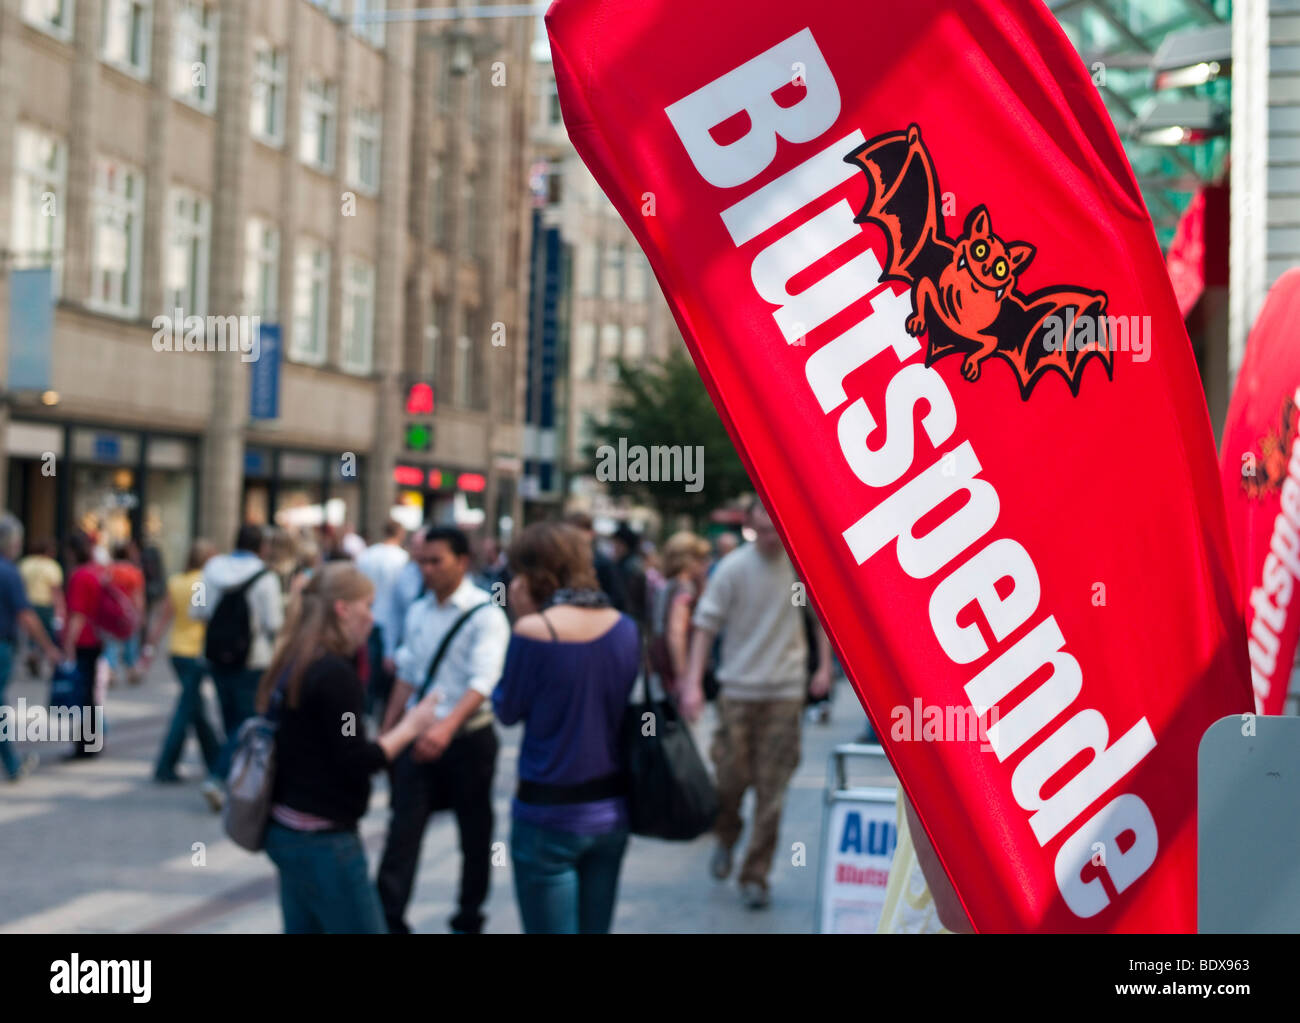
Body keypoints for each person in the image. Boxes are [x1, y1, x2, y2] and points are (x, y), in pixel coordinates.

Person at [259, 562, 439, 934]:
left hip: (286, 827)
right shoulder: (336, 676)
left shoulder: (295, 660)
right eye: (368, 606)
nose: (372, 619)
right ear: (342, 608)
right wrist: (410, 727)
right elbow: (355, 758)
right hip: (324, 839)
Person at [679, 499, 832, 909]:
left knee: (773, 790)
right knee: (730, 781)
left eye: (774, 530)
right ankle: (727, 835)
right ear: (750, 527)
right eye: (761, 530)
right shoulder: (732, 570)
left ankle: (755, 875)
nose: (768, 538)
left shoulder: (799, 567)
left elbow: (821, 618)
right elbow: (705, 626)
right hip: (738, 693)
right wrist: (693, 683)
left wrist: (824, 670)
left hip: (784, 693)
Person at [493, 523, 640, 933]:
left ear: (528, 573)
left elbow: (507, 709)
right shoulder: (624, 628)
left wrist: (521, 617)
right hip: (611, 811)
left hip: (547, 812)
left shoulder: (533, 631)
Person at [376, 525, 510, 934]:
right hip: (419, 736)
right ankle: (389, 917)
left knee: (474, 833)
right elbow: (408, 673)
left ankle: (469, 916)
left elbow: (483, 680)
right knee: (403, 830)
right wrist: (388, 733)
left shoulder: (486, 613)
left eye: (436, 561)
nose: (427, 569)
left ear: (462, 562)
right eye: (422, 561)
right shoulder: (419, 610)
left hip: (468, 739)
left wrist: (447, 728)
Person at [191, 525, 285, 808]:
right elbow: (274, 623)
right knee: (246, 721)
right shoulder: (266, 577)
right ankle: (219, 777)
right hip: (252, 659)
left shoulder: (211, 569)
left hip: (217, 655)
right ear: (262, 547)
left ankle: (229, 776)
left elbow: (198, 610)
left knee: (230, 719)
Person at [140, 539, 223, 785]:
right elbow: (201, 617)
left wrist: (150, 646)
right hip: (195, 651)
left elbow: (164, 617)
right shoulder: (201, 582)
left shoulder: (176, 581)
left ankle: (215, 759)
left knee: (196, 709)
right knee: (187, 710)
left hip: (176, 649)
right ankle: (166, 764)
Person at [0, 515, 63, 781]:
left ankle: (12, 763)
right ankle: (12, 764)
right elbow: (25, 615)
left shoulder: (18, 568)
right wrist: (48, 646)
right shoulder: (8, 571)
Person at [647, 531, 712, 704]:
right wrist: (683, 677)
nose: (705, 564)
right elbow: (676, 633)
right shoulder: (684, 587)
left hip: (660, 657)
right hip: (676, 662)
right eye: (700, 559)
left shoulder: (668, 583)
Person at [60, 529, 107, 758]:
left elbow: (77, 614)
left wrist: (67, 645)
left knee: (82, 694)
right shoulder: (97, 571)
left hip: (83, 640)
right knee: (90, 693)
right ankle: (91, 742)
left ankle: (85, 744)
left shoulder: (79, 575)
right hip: (97, 637)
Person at [356, 520, 410, 721]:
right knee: (385, 678)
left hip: (369, 620)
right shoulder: (401, 559)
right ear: (400, 533)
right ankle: (377, 717)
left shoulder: (367, 555)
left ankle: (366, 714)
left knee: (367, 673)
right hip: (388, 621)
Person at [563, 511, 627, 611]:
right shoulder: (562, 561)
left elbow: (617, 599)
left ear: (591, 533)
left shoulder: (604, 564)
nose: (574, 538)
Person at [18, 538, 63, 678]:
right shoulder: (51, 566)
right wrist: (60, 608)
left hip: (27, 604)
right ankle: (47, 655)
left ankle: (33, 654)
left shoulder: (24, 563)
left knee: (32, 634)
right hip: (45, 604)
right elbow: (55, 590)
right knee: (47, 633)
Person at [104, 542, 146, 686]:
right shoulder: (134, 572)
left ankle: (110, 671)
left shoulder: (109, 570)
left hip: (111, 611)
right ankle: (132, 669)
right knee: (130, 640)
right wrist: (140, 614)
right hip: (129, 612)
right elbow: (137, 596)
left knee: (111, 641)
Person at [610, 523, 648, 629]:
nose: (613, 547)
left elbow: (628, 600)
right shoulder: (631, 564)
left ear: (624, 545)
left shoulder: (629, 567)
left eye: (616, 544)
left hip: (627, 621)